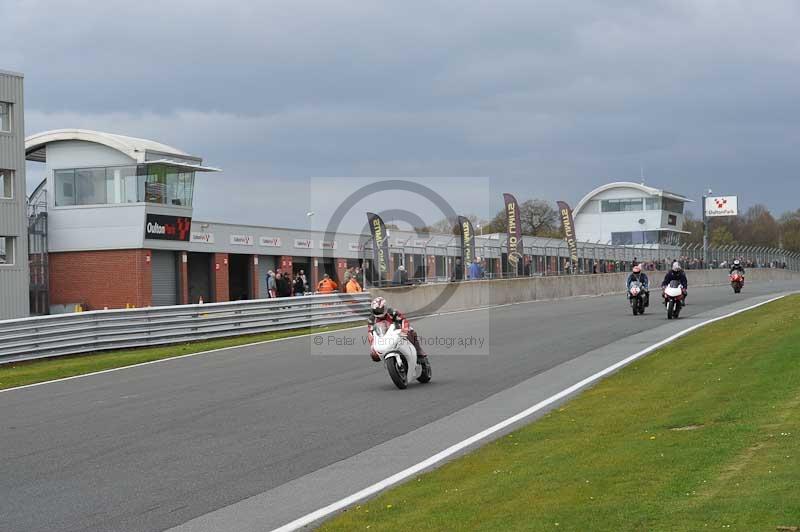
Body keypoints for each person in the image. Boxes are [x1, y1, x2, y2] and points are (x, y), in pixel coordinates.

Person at [367, 296, 429, 370]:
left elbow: (403, 320)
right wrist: (373, 346)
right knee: (374, 356)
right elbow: (370, 332)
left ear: (385, 307)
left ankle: (419, 351)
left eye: (380, 310)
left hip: (397, 331)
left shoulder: (392, 312)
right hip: (384, 337)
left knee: (411, 331)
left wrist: (404, 329)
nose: (378, 312)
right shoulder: (371, 319)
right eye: (376, 310)